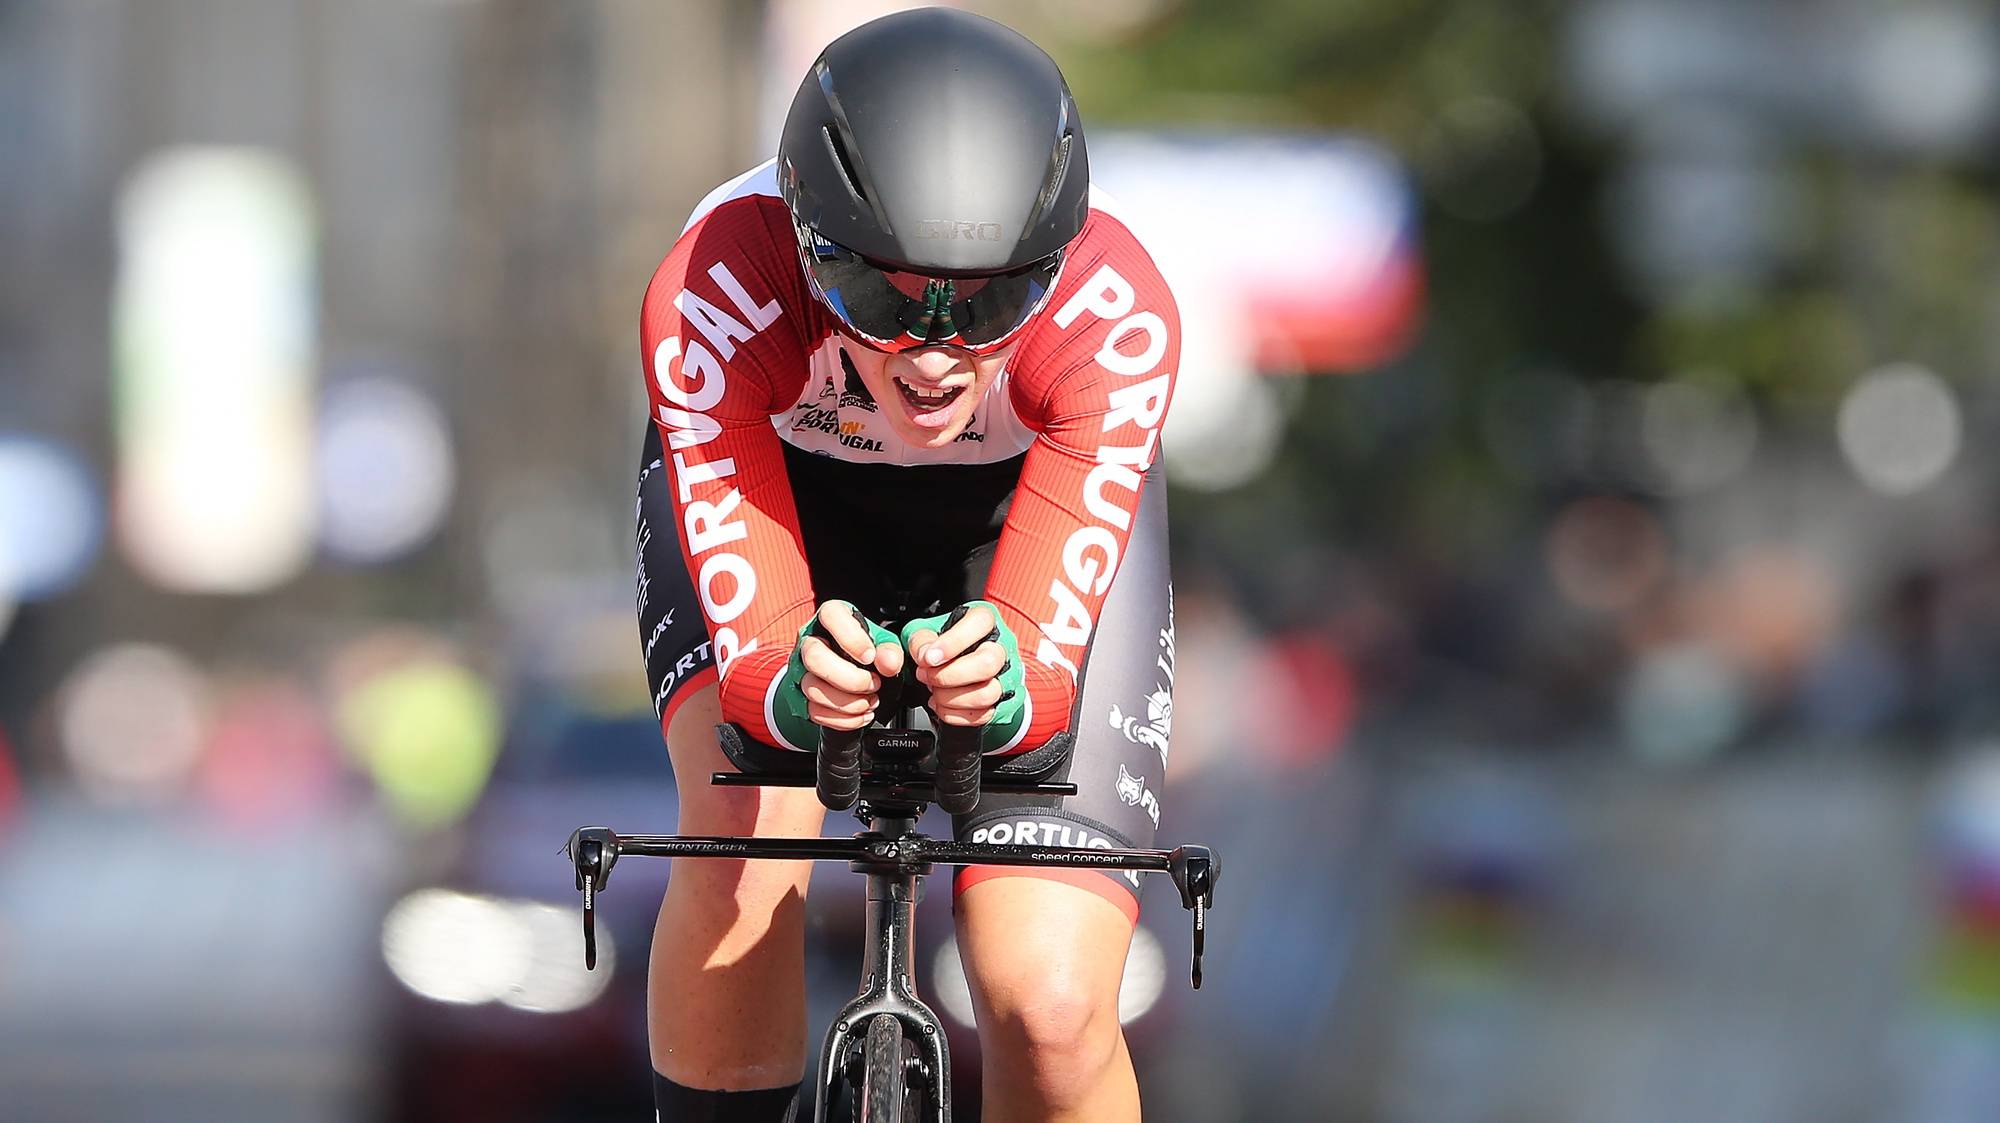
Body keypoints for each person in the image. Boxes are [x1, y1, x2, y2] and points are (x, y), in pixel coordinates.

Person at [634, 8, 1179, 1120]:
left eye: (992, 300)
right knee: (748, 842)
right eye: (883, 299)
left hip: (1016, 521)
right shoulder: (714, 282)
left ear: (1054, 264)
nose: (936, 355)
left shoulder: (1113, 315)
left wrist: (1011, 681)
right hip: (787, 503)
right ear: (802, 241)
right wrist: (790, 688)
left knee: (1051, 999)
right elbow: (756, 672)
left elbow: (1041, 690)